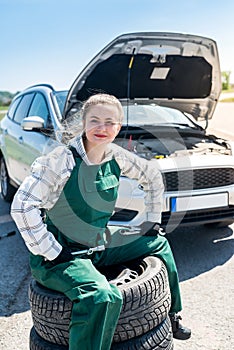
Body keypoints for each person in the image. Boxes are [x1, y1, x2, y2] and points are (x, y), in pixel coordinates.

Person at [11, 93, 191, 349]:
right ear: (83, 122)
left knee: (158, 243)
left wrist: (151, 219)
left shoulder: (116, 155)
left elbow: (152, 175)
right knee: (102, 296)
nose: (102, 128)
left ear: (118, 127)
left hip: (99, 243)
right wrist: (52, 251)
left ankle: (172, 314)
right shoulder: (60, 160)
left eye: (110, 122)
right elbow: (22, 206)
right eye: (95, 120)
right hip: (61, 255)